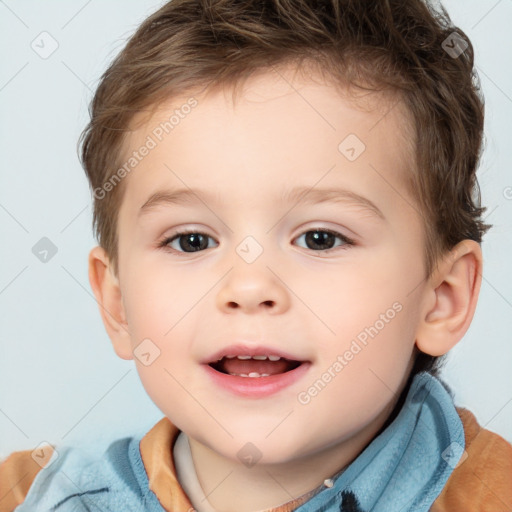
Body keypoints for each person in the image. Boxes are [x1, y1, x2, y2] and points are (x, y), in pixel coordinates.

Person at [1, 0, 511, 511]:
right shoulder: (32, 497)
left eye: (320, 239)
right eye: (191, 240)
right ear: (117, 304)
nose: (248, 287)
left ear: (440, 298)